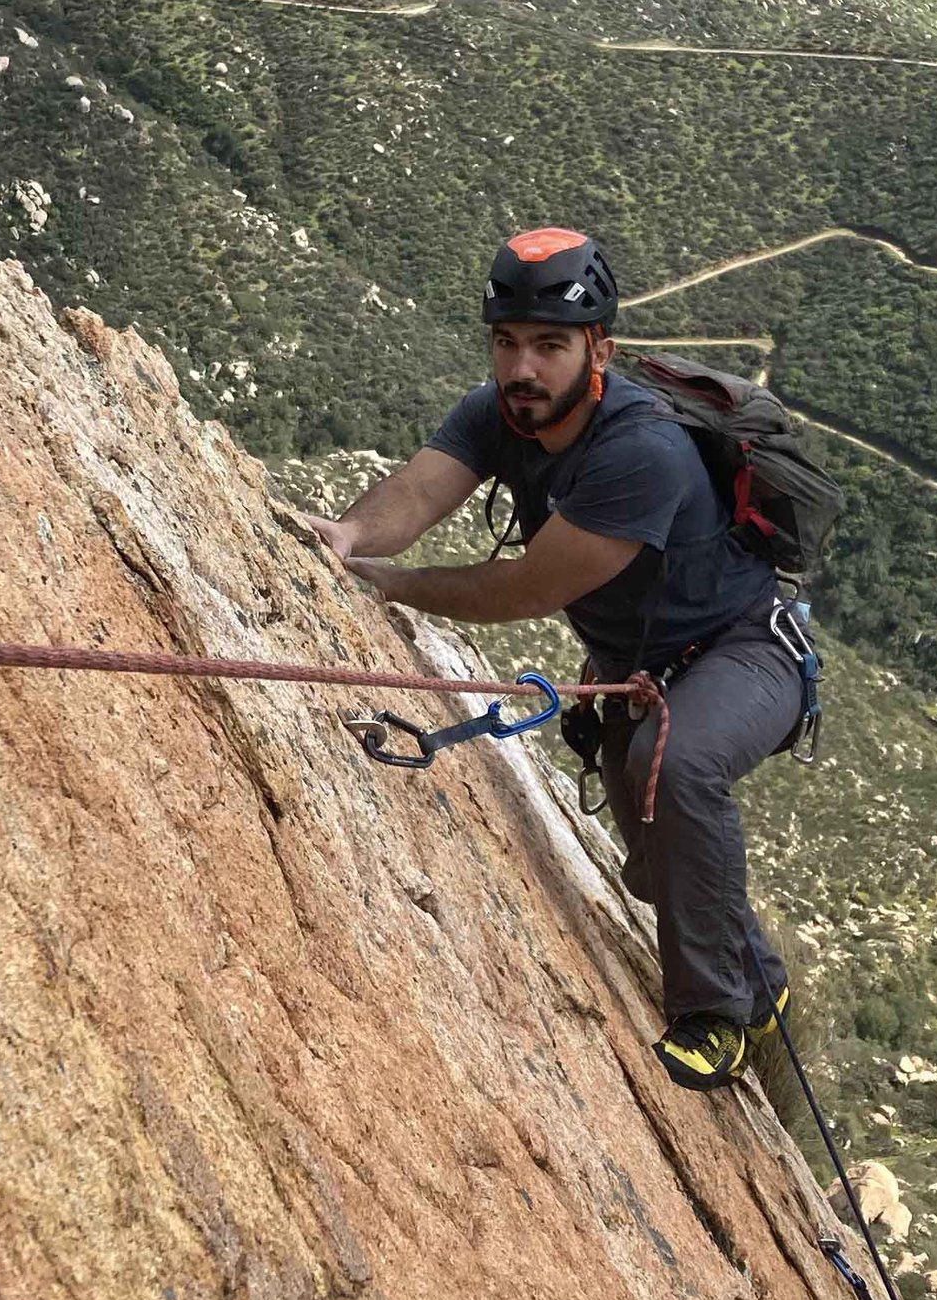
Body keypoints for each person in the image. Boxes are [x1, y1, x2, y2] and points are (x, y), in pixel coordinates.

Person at [304, 226, 807, 1101]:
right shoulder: (501, 412)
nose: (522, 368)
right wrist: (347, 537)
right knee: (657, 871)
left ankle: (719, 1016)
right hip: (642, 669)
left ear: (598, 350)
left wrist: (395, 585)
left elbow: (527, 587)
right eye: (506, 342)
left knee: (674, 766)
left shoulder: (640, 452)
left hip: (746, 649)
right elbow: (421, 490)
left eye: (548, 345)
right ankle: (765, 990)